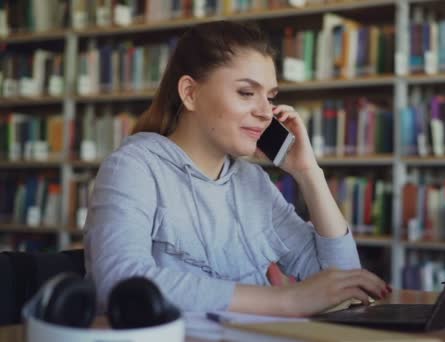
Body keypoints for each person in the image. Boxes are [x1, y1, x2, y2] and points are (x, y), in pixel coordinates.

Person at [84, 20, 390, 317]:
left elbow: (345, 284)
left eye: (270, 97)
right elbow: (119, 282)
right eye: (246, 93)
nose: (265, 113)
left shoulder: (252, 181)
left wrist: (309, 173)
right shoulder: (135, 167)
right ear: (190, 93)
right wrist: (285, 301)